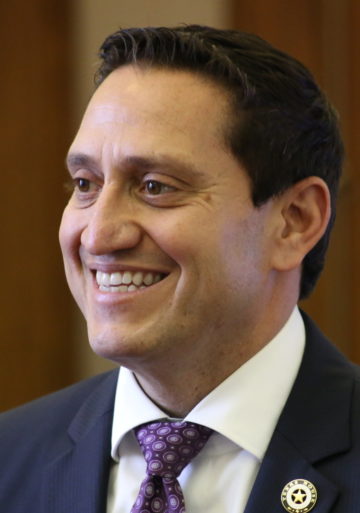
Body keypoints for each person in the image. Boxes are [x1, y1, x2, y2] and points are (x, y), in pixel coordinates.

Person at [0, 24, 358, 513]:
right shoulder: (9, 460)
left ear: (294, 222)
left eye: (155, 186)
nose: (99, 235)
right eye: (85, 184)